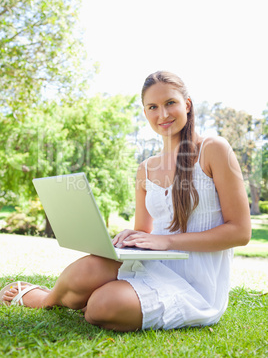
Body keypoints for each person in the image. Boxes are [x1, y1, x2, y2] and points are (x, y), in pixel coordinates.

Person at [0, 71, 251, 332]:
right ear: (145, 113)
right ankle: (45, 299)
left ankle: (86, 299)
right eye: (153, 107)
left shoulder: (214, 149)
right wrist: (131, 237)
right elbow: (144, 230)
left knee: (100, 307)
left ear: (186, 104)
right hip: (155, 267)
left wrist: (166, 241)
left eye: (170, 103)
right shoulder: (146, 168)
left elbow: (240, 232)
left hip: (198, 287)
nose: (162, 114)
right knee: (87, 269)